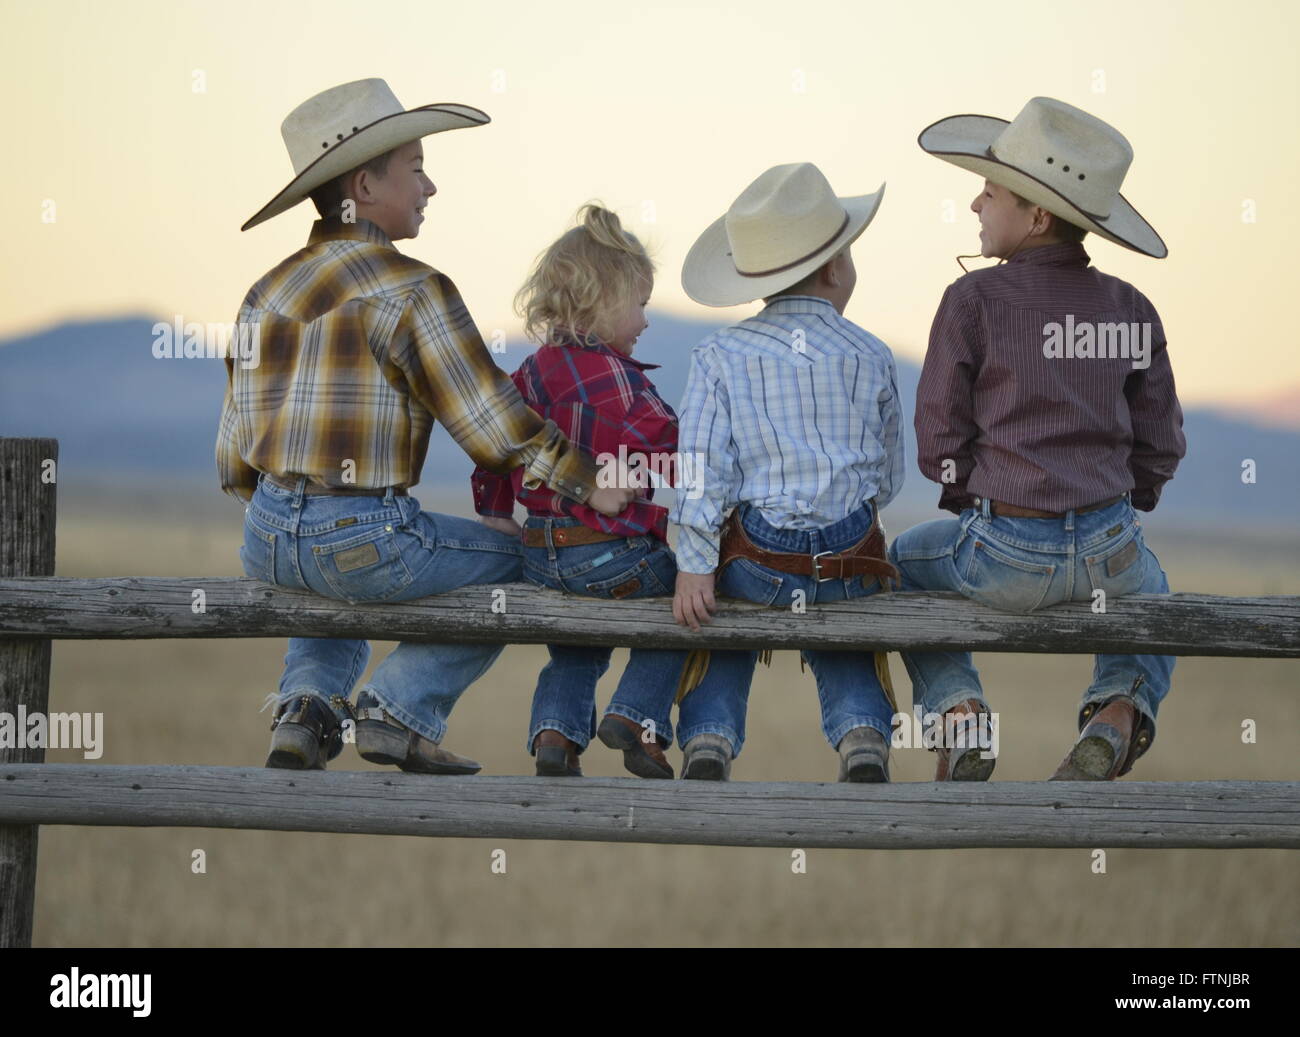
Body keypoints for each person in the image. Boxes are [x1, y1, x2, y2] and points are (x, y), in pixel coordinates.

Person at [218, 79, 632, 773]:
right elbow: (494, 429)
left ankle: (306, 707)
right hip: (362, 535)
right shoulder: (414, 289)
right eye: (415, 166)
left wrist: (293, 516)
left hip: (264, 536)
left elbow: (234, 455)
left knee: (325, 579)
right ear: (365, 183)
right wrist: (591, 485)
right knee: (524, 560)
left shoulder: (266, 289)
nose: (430, 185)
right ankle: (396, 708)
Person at [892, 96, 1185, 781]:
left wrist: (970, 497)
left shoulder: (972, 302)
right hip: (1112, 551)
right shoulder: (1130, 308)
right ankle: (1119, 709)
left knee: (902, 563)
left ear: (1037, 215)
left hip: (1006, 553)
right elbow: (1160, 440)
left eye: (989, 193)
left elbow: (937, 431)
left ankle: (961, 714)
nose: (974, 206)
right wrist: (1124, 501)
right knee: (1157, 595)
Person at [671, 162, 904, 782]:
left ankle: (708, 740)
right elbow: (888, 476)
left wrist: (695, 564)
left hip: (761, 564)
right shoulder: (872, 353)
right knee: (848, 629)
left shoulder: (720, 355)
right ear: (834, 267)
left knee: (718, 612)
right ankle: (862, 738)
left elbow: (700, 469)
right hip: (849, 555)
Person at [472, 204, 691, 778]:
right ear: (604, 298)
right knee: (685, 600)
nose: (645, 319)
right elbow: (676, 457)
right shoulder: (623, 382)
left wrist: (496, 512)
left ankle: (556, 735)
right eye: (640, 302)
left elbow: (495, 445)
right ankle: (636, 716)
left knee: (576, 638)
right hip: (609, 553)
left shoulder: (528, 372)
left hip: (542, 555)